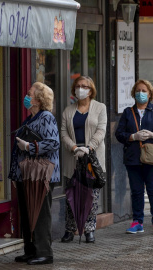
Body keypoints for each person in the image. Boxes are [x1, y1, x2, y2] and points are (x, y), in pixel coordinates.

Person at [8, 82, 60, 265]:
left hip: (41, 174)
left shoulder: (46, 117)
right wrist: (16, 175)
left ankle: (45, 252)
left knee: (40, 213)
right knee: (27, 213)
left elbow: (54, 143)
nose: (27, 96)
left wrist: (30, 146)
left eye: (30, 93)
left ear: (38, 100)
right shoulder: (30, 118)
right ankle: (30, 250)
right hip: (26, 174)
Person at [61, 76, 107, 243]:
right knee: (71, 196)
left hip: (91, 159)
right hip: (72, 157)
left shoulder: (100, 108)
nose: (81, 89)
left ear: (90, 89)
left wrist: (89, 148)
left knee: (91, 196)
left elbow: (101, 130)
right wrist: (74, 148)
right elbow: (63, 133)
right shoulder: (68, 110)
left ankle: (89, 230)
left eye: (84, 86)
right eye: (78, 86)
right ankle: (69, 229)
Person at [115, 79, 153, 233]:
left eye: (144, 91)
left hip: (151, 159)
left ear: (150, 94)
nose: (140, 93)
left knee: (152, 190)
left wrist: (152, 134)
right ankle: (137, 222)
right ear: (133, 93)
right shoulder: (127, 112)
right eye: (138, 91)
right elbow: (119, 134)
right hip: (133, 158)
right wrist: (133, 137)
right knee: (136, 191)